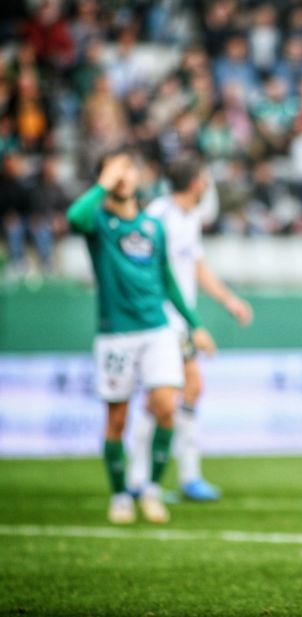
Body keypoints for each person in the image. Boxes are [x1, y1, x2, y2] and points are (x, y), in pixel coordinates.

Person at [66, 149, 216, 524]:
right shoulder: (98, 222)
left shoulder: (152, 227)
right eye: (114, 170)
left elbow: (167, 281)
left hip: (157, 331)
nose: (122, 176)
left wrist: (194, 323)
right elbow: (74, 217)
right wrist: (103, 182)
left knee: (166, 405)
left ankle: (149, 488)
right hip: (116, 334)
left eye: (127, 169)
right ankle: (120, 494)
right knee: (116, 420)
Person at [126, 154, 253, 502]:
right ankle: (155, 478)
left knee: (176, 393)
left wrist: (229, 300)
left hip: (178, 321)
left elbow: (196, 267)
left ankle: (164, 477)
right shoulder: (157, 216)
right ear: (196, 182)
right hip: (160, 320)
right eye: (205, 178)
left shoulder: (189, 216)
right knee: (170, 393)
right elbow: (146, 272)